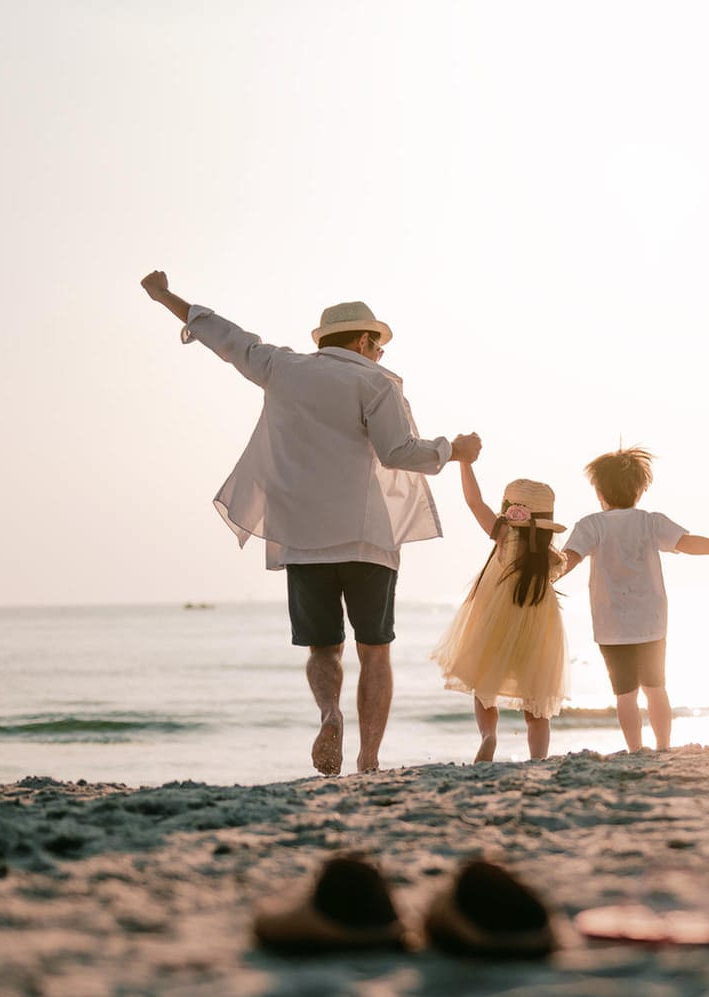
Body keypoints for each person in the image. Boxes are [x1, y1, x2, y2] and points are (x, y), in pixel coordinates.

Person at [139, 272, 480, 776]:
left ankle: (329, 713)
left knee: (324, 647)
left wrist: (167, 297)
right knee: (375, 650)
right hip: (367, 538)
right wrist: (452, 450)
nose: (381, 355)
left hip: (301, 538)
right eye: (379, 346)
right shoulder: (374, 382)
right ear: (364, 341)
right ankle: (368, 759)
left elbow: (226, 338)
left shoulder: (281, 367)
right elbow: (397, 452)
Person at [561, 448, 709, 753]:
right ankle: (663, 746)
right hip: (651, 623)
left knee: (625, 695)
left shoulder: (590, 525)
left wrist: (538, 577)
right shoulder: (650, 522)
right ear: (640, 490)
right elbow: (688, 543)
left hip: (611, 626)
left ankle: (634, 749)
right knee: (656, 689)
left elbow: (568, 561)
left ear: (599, 491)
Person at [431, 474, 571, 761]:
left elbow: (473, 502)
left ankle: (489, 735)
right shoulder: (551, 557)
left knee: (484, 686)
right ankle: (538, 758)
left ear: (509, 511)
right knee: (536, 703)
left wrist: (465, 463)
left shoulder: (503, 535)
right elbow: (564, 565)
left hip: (496, 619)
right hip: (538, 626)